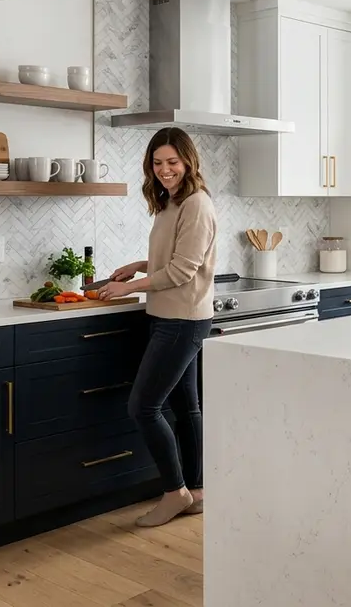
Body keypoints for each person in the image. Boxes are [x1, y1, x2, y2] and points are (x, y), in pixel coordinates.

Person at [99, 127, 218, 528]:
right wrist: (139, 264)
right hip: (172, 315)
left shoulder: (197, 204)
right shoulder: (171, 203)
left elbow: (184, 270)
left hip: (182, 320)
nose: (165, 170)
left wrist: (129, 287)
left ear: (188, 162)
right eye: (157, 162)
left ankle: (174, 492)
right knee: (186, 407)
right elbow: (176, 257)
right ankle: (197, 491)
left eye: (172, 162)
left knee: (143, 406)